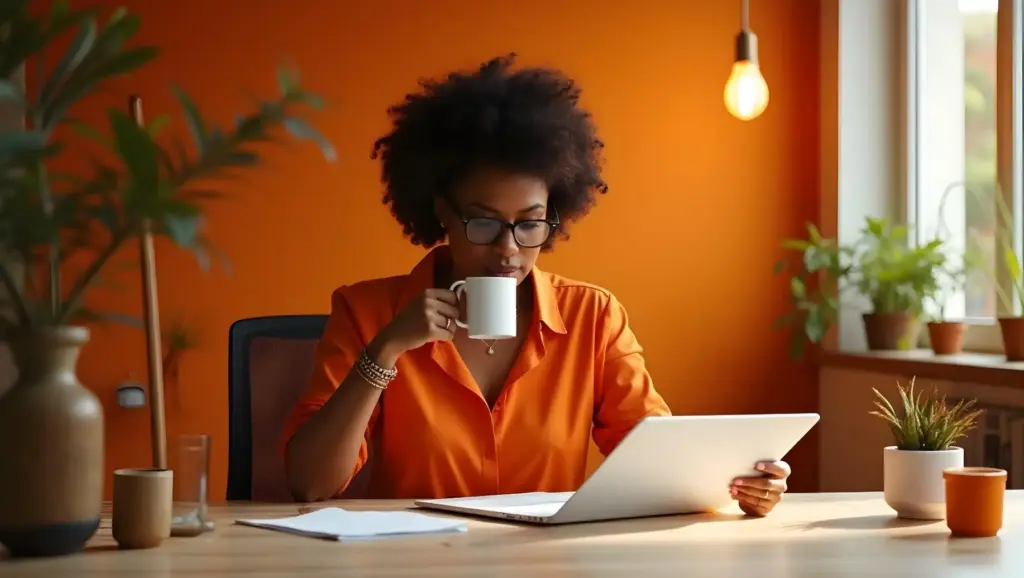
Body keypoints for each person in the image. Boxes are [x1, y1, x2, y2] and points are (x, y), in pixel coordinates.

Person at [281, 54, 791, 516]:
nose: (508, 249)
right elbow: (310, 485)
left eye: (529, 224)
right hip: (417, 562)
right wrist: (386, 350)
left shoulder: (593, 318)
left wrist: (744, 486)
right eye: (484, 223)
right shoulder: (368, 310)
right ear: (441, 212)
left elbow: (661, 463)